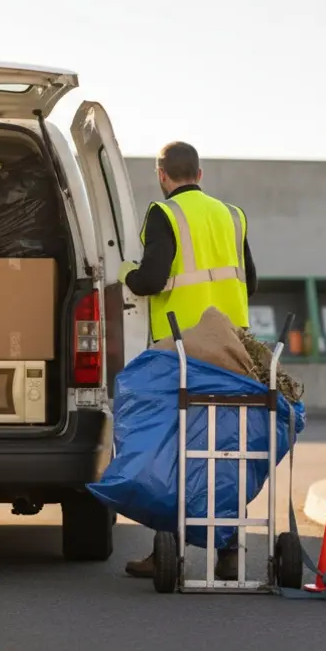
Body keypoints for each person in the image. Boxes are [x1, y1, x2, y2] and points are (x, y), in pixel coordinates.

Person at [116, 140, 258, 581]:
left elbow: (151, 280)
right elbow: (249, 280)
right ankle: (230, 550)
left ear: (163, 176)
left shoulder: (165, 215)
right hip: (234, 348)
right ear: (200, 174)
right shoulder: (232, 215)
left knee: (173, 446)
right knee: (226, 448)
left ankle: (166, 551)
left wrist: (125, 274)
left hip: (182, 349)